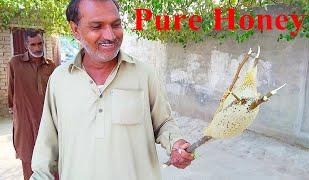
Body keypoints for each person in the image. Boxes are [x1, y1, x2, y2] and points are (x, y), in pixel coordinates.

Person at [30, 0, 194, 179]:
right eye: (97, 26)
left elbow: (163, 123)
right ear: (75, 29)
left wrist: (176, 143)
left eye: (116, 25)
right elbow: (47, 144)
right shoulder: (59, 80)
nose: (110, 35)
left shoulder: (144, 74)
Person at [7, 29, 56, 180]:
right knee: (28, 159)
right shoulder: (15, 63)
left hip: (46, 120)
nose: (37, 48)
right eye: (33, 44)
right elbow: (11, 90)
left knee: (51, 158)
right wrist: (13, 109)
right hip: (25, 120)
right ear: (26, 44)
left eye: (40, 43)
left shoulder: (50, 66)